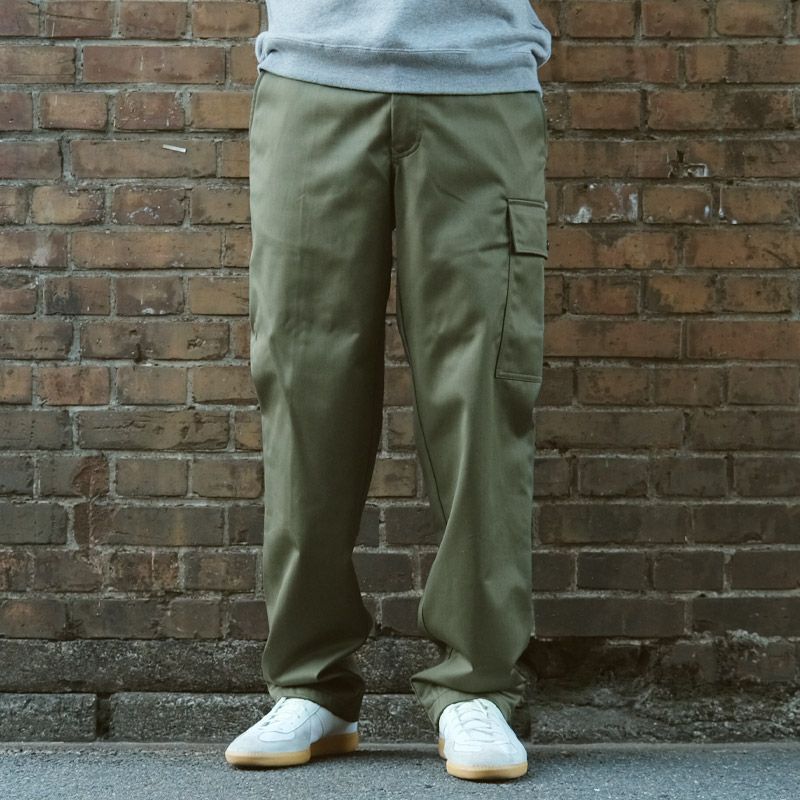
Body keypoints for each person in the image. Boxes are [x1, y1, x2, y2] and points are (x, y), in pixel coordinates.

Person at [225, 0, 552, 782]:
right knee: (303, 389)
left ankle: (479, 685)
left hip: (480, 78)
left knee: (482, 389)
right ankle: (309, 685)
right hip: (312, 73)